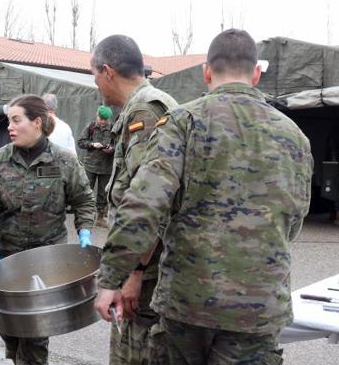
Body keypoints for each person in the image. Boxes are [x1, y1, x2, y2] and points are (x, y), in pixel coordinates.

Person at [95, 29, 313, 365]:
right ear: (256, 74)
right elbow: (294, 219)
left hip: (188, 306)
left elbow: (143, 205)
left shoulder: (182, 122)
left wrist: (112, 277)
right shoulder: (295, 136)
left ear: (206, 72)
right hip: (257, 310)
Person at [0, 94, 95, 365]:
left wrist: (85, 230)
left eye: (16, 120)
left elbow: (84, 199)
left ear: (38, 122)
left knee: (35, 332)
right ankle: (15, 354)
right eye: (9, 121)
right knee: (7, 325)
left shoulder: (64, 161)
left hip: (47, 259)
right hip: (9, 256)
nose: (10, 127)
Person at [90, 34, 178, 365]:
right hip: (148, 266)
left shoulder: (145, 110)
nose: (96, 83)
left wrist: (135, 272)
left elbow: (154, 201)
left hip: (148, 272)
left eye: (95, 75)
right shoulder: (152, 104)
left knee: (137, 354)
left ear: (108, 71)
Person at [77, 105, 115, 228]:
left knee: (103, 193)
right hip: (90, 165)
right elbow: (81, 142)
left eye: (105, 119)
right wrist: (93, 144)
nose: (103, 121)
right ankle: (85, 216)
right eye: (101, 118)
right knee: (87, 190)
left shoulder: (113, 128)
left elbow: (119, 144)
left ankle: (100, 216)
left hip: (106, 166)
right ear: (97, 116)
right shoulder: (91, 127)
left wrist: (111, 149)